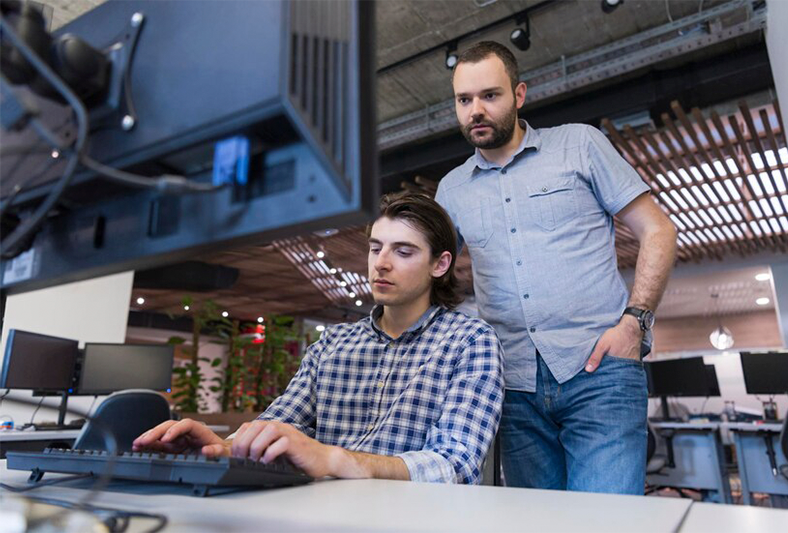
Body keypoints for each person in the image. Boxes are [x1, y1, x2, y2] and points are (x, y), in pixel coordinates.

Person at [434, 41, 677, 494]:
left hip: (601, 372)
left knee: (607, 526)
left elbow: (658, 230)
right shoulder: (451, 190)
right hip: (512, 386)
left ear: (519, 95)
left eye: (490, 95)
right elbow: (430, 276)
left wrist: (635, 322)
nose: (476, 111)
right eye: (464, 100)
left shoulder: (579, 145)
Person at [134, 192, 504, 484]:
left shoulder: (470, 342)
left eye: (403, 251)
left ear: (440, 265)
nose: (381, 263)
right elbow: (280, 423)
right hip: (318, 513)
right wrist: (223, 446)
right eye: (376, 248)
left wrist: (333, 458)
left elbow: (454, 463)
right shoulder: (331, 345)